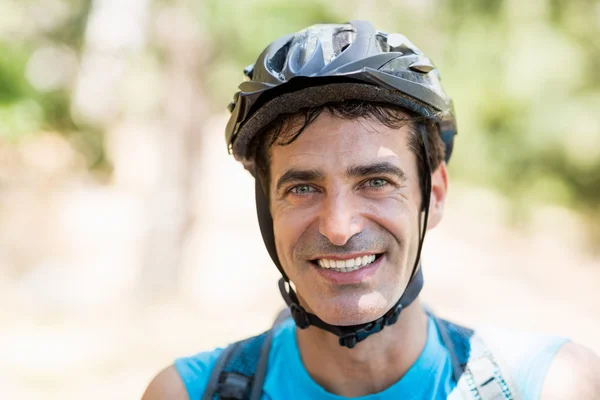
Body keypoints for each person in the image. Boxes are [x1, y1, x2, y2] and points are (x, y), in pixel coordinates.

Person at [142, 21, 600, 399]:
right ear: (266, 207)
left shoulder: (553, 386)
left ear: (434, 194)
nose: (339, 227)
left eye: (376, 182)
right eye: (303, 188)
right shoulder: (187, 392)